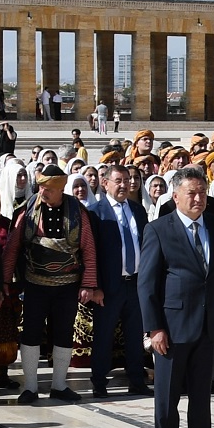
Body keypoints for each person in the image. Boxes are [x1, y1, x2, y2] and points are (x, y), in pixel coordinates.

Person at [4, 163, 99, 404]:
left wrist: (88, 284)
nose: (43, 192)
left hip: (67, 286)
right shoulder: (28, 209)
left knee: (64, 333)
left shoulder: (77, 211)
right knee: (31, 333)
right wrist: (5, 280)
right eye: (41, 187)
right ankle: (30, 388)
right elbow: (13, 247)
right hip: (35, 285)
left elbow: (88, 249)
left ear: (60, 189)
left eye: (48, 189)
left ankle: (59, 385)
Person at [83, 163, 150, 398]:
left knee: (135, 334)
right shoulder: (95, 212)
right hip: (109, 287)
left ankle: (136, 380)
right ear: (105, 183)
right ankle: (99, 382)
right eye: (118, 181)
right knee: (104, 335)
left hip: (135, 283)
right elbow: (91, 253)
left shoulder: (138, 210)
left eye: (127, 180)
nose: (124, 185)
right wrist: (96, 286)